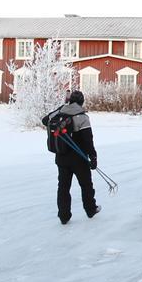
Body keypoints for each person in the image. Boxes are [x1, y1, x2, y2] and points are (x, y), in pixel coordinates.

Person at [53, 90, 100, 224]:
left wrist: (61, 109)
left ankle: (64, 216)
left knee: (63, 187)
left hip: (61, 157)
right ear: (82, 101)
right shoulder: (82, 116)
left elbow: (46, 120)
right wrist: (93, 157)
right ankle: (90, 209)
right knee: (86, 185)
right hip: (79, 158)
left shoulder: (60, 112)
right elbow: (88, 139)